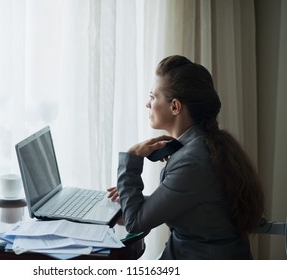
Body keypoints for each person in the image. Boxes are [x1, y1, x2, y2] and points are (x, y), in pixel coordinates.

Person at [108, 55, 265, 260]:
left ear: (175, 106)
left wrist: (131, 159)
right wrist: (132, 202)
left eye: (153, 97)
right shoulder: (205, 143)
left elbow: (136, 223)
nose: (148, 104)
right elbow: (196, 203)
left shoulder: (191, 160)